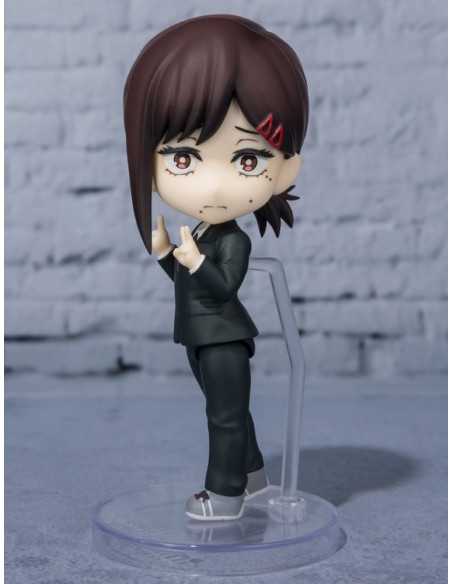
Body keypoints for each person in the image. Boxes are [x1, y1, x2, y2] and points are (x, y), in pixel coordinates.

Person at [123, 14, 309, 520]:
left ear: (284, 169)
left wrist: (196, 260)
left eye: (248, 160)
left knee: (223, 417)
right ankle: (254, 476)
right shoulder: (203, 233)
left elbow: (222, 287)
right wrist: (169, 255)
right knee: (230, 411)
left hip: (225, 338)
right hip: (200, 334)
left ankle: (225, 495)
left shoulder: (232, 241)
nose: (214, 186)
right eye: (183, 158)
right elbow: (190, 282)